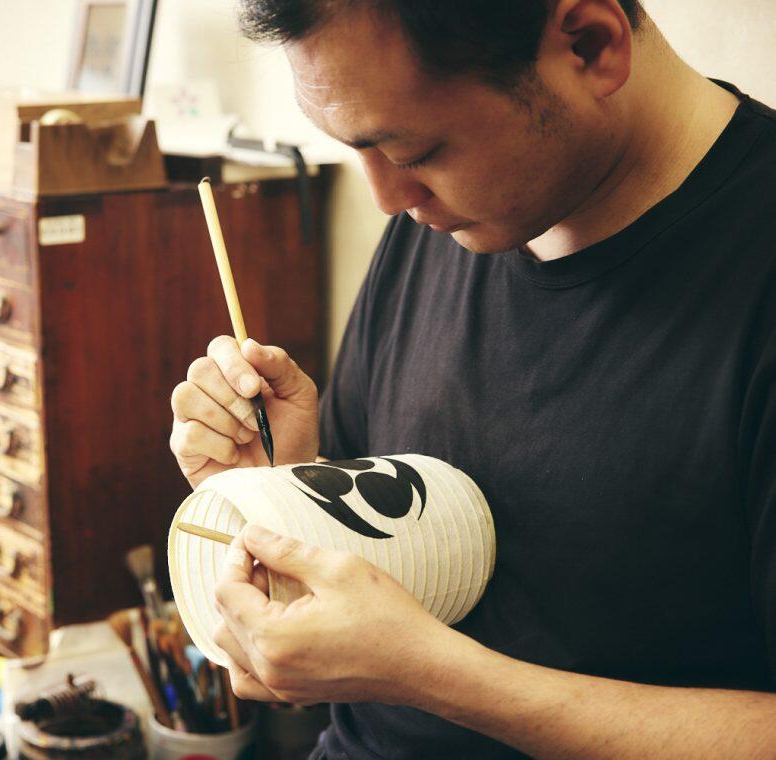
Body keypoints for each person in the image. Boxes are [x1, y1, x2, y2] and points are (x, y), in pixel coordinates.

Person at [167, 0, 776, 757]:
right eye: (356, 148)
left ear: (589, 45)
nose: (388, 199)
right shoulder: (452, 220)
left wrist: (430, 674)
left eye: (416, 151)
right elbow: (410, 554)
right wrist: (290, 493)